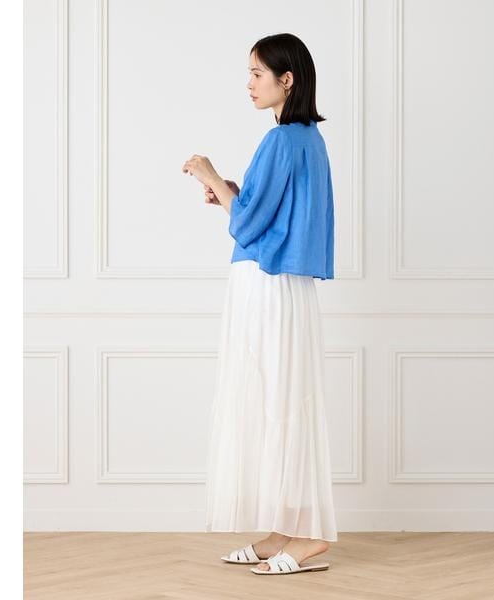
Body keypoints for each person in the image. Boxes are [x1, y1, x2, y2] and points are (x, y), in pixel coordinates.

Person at [181, 33, 337, 575]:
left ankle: (310, 534)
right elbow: (267, 211)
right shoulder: (308, 139)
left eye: (256, 73)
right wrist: (229, 190)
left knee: (279, 404)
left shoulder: (281, 140)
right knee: (282, 402)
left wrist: (208, 175)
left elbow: (248, 222)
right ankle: (287, 528)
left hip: (266, 285)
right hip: (284, 287)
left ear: (285, 80)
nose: (248, 83)